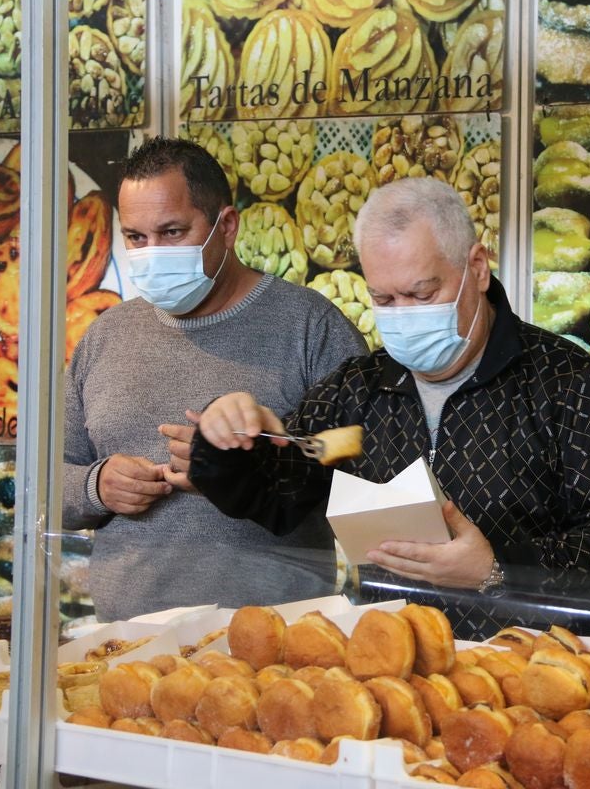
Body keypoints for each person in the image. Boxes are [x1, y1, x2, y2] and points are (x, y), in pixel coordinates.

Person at [185, 177, 590, 638]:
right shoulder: (359, 390)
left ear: (476, 267)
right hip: (400, 675)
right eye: (383, 298)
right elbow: (278, 496)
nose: (403, 313)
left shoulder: (568, 383)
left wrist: (497, 568)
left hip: (540, 681)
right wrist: (230, 439)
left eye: (422, 293)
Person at [63, 137, 367, 621]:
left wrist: (256, 463)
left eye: (172, 232)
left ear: (226, 226)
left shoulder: (312, 327)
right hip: (125, 642)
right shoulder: (105, 336)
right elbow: (47, 485)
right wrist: (96, 487)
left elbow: (367, 469)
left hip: (272, 648)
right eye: (136, 238)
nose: (151, 254)